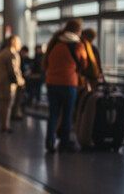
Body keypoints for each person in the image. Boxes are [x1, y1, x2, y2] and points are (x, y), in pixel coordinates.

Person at [42, 18, 87, 153]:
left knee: (53, 114)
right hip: (69, 83)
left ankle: (50, 141)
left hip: (52, 82)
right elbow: (84, 64)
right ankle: (64, 142)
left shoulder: (55, 43)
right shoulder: (78, 45)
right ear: (78, 31)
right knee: (67, 115)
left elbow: (47, 62)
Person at [0, 35, 24, 133]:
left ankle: (3, 124)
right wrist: (20, 82)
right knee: (7, 105)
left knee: (3, 105)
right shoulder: (12, 54)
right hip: (7, 84)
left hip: (0, 82)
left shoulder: (2, 52)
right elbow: (13, 71)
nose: (20, 44)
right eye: (18, 42)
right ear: (13, 42)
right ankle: (5, 125)